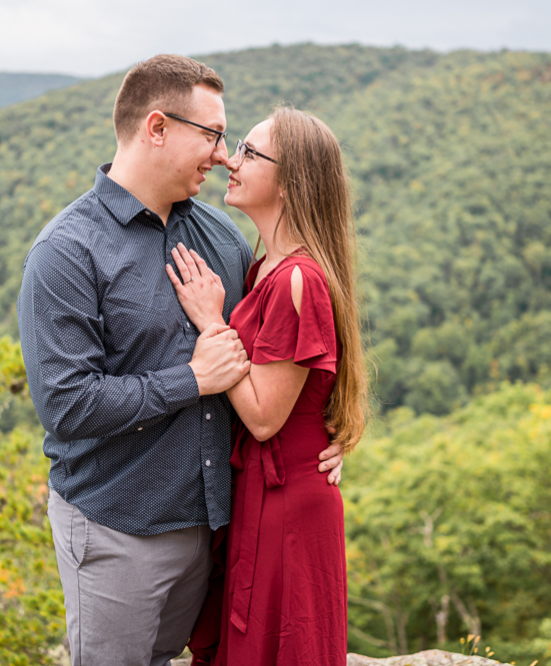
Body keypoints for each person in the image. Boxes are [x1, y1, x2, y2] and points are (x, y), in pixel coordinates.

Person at [17, 55, 344, 666]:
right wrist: (191, 379)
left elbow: (282, 352)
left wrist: (324, 433)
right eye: (214, 135)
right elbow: (66, 404)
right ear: (158, 127)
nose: (223, 155)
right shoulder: (66, 251)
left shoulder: (222, 239)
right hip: (119, 527)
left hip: (218, 529)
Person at [168, 107, 368, 665]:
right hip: (266, 493)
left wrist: (212, 323)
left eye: (251, 154)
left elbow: (262, 416)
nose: (232, 160)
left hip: (288, 509)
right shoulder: (266, 269)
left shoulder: (297, 280)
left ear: (292, 180)